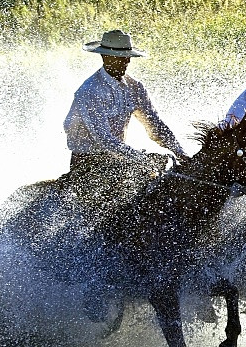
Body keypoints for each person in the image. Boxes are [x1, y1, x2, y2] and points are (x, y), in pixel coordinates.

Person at [63, 29, 189, 215]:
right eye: (120, 57)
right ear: (105, 57)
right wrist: (143, 159)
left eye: (127, 57)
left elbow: (155, 125)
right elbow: (103, 140)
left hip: (120, 159)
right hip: (88, 162)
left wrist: (180, 153)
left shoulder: (135, 87)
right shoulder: (90, 91)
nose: (126, 61)